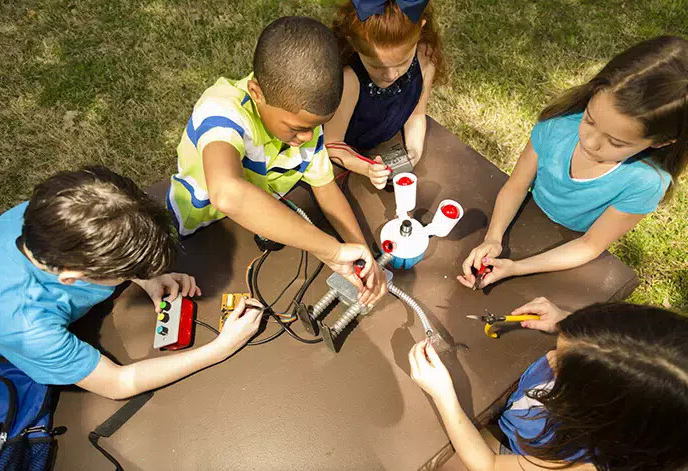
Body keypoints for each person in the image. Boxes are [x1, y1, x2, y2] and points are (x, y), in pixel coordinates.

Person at [0, 166, 265, 400]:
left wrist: (147, 278)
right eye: (126, 270)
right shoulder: (29, 329)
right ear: (71, 278)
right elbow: (118, 383)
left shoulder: (58, 211)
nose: (137, 273)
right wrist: (220, 348)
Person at [167, 16, 386, 306]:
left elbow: (325, 187)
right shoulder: (220, 110)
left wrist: (361, 252)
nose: (307, 137)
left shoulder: (301, 117)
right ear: (257, 93)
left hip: (255, 227)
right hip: (192, 234)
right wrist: (330, 250)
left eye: (316, 127)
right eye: (296, 128)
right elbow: (227, 193)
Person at [458, 36, 688, 290]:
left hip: (570, 247)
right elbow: (516, 185)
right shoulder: (556, 126)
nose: (590, 142)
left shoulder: (646, 183)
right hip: (531, 219)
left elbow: (590, 244)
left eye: (616, 142)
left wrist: (517, 267)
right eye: (589, 120)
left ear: (660, 142)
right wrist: (493, 237)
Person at [409, 299, 688, 470]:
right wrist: (566, 323)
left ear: (601, 413)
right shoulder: (646, 375)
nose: (548, 357)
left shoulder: (589, 465)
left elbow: (489, 465)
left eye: (561, 367)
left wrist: (444, 395)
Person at [326, 0, 446, 189]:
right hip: (345, 166)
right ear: (353, 44)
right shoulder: (350, 79)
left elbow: (416, 114)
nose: (390, 75)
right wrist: (367, 168)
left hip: (388, 146)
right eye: (376, 66)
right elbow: (332, 143)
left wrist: (414, 150)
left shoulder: (425, 58)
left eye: (402, 62)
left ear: (420, 32)